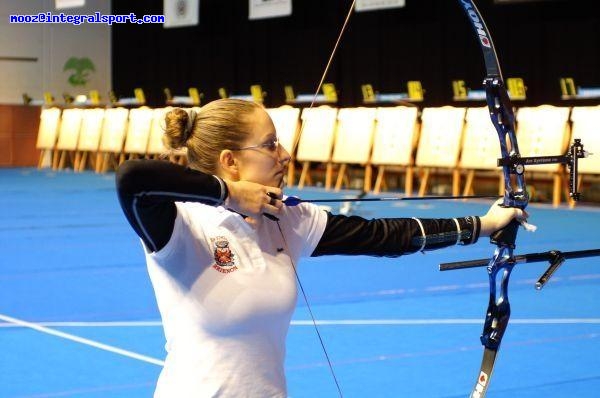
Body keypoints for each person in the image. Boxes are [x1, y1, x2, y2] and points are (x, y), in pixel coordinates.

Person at [115, 99, 527, 398]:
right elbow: (132, 178)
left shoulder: (286, 219)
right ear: (230, 161)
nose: (285, 155)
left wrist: (483, 224)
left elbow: (385, 235)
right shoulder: (179, 224)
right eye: (270, 144)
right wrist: (228, 195)